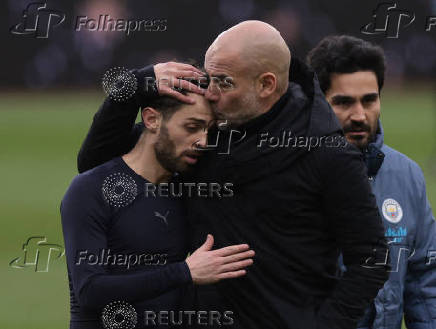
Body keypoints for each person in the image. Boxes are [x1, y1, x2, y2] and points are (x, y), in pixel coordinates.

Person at [77, 21, 390, 329]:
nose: (210, 94)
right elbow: (97, 164)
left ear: (266, 85)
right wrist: (134, 86)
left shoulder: (326, 152)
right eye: (209, 78)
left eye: (224, 82)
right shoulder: (203, 139)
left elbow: (371, 259)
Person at [61, 82, 256, 329]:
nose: (203, 141)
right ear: (152, 119)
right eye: (192, 127)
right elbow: (90, 290)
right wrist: (184, 273)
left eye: (209, 130)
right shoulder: (91, 189)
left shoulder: (188, 191)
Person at [307, 35, 436, 329]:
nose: (359, 115)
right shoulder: (293, 175)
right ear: (318, 102)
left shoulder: (406, 174)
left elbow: (425, 279)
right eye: (343, 102)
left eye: (369, 100)